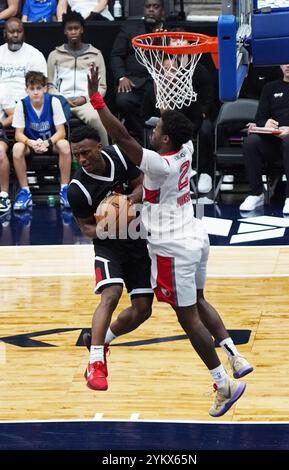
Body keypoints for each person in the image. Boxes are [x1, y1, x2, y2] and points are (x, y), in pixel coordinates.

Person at [87, 65, 253, 417]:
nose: (153, 130)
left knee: (187, 318)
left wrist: (98, 101)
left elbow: (123, 139)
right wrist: (165, 94)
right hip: (195, 235)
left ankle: (223, 382)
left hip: (172, 248)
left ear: (164, 139)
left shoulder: (159, 164)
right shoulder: (186, 147)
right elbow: (170, 122)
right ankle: (235, 356)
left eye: (157, 129)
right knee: (200, 300)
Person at [68, 125, 154, 391]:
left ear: (99, 147)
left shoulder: (120, 155)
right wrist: (112, 224)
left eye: (85, 153)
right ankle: (96, 362)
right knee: (111, 293)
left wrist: (127, 202)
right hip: (108, 246)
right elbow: (86, 228)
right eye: (76, 155)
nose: (82, 160)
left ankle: (102, 339)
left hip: (138, 240)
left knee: (143, 309)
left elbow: (143, 185)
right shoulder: (78, 188)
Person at [142, 51, 215, 194]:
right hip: (160, 131)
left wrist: (177, 127)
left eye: (173, 70)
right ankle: (157, 177)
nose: (169, 74)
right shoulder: (152, 90)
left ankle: (192, 172)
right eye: (166, 70)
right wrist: (160, 124)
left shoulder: (188, 91)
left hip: (184, 132)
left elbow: (197, 119)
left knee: (200, 131)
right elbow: (143, 116)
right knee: (155, 136)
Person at [240, 64, 289, 215]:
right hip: (273, 140)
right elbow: (260, 118)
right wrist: (265, 123)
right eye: (284, 62)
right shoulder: (270, 87)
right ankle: (256, 193)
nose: (288, 65)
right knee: (250, 142)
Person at [12, 71, 72, 210]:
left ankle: (64, 189)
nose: (35, 92)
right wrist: (31, 143)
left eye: (39, 88)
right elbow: (18, 135)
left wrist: (47, 143)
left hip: (50, 143)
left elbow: (61, 132)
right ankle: (25, 191)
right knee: (17, 148)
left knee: (64, 145)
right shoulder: (22, 104)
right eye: (32, 89)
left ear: (45, 88)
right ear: (26, 89)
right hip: (31, 144)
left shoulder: (53, 101)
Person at [47, 10, 109, 145]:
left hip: (87, 102)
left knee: (98, 119)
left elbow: (102, 86)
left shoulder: (95, 54)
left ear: (82, 30)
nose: (73, 31)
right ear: (65, 31)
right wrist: (62, 98)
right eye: (70, 29)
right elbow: (50, 86)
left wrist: (85, 98)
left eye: (76, 28)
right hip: (61, 103)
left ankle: (106, 156)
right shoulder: (54, 55)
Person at [110, 0, 165, 143]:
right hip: (134, 83)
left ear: (163, 12)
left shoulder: (170, 32)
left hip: (159, 87)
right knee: (123, 101)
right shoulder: (130, 28)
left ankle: (156, 137)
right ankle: (147, 136)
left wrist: (160, 48)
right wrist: (121, 77)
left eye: (155, 7)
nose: (151, 10)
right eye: (148, 7)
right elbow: (116, 55)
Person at [0, 17, 47, 102]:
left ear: (24, 33)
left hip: (26, 102)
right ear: (4, 33)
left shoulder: (34, 54)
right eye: (11, 32)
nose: (15, 35)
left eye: (19, 31)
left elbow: (40, 86)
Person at [0, 84, 15, 213]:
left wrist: (0, 124)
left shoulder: (2, 88)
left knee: (0, 152)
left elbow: (12, 115)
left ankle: (3, 196)